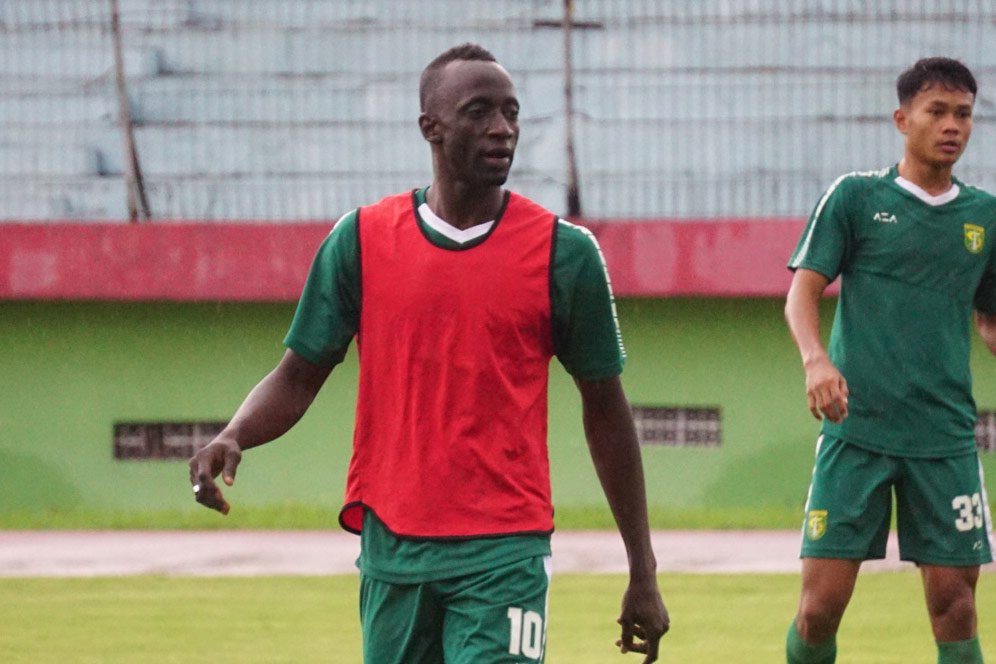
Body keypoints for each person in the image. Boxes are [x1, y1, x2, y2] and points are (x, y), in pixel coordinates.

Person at [188, 43, 669, 663]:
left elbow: (606, 409)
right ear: (431, 128)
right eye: (479, 112)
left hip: (505, 550)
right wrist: (235, 434)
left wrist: (643, 569)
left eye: (512, 113)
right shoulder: (359, 241)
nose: (503, 129)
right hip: (394, 552)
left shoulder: (564, 254)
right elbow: (298, 374)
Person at [784, 57, 995, 664]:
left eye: (963, 114)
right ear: (903, 119)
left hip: (945, 440)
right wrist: (816, 361)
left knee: (955, 605)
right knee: (819, 608)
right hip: (858, 432)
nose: (952, 125)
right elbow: (802, 292)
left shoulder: (986, 218)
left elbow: (990, 320)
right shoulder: (855, 197)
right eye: (937, 112)